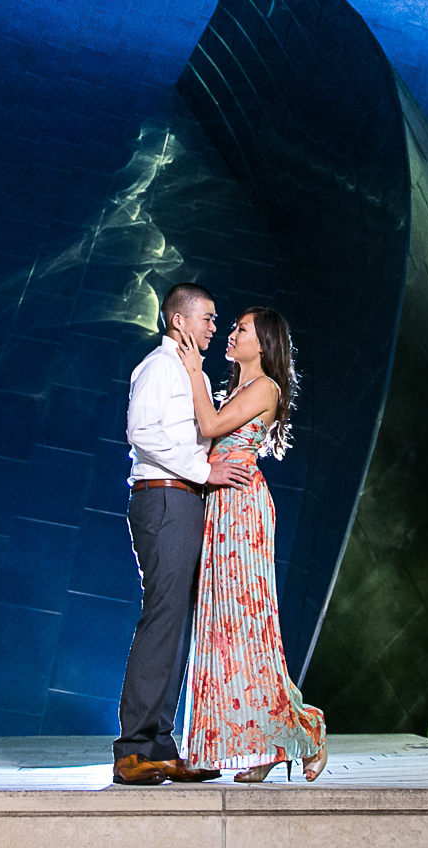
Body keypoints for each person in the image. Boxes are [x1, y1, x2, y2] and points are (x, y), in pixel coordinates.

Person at [174, 307, 327, 782]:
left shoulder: (265, 387)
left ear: (262, 344)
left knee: (248, 624)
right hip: (221, 506)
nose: (232, 334)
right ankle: (265, 747)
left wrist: (194, 370)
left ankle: (307, 727)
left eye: (241, 329)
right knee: (225, 628)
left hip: (241, 508)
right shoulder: (238, 387)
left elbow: (212, 427)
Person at [112, 283, 254, 786]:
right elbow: (140, 431)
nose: (215, 328)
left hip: (184, 499)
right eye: (208, 319)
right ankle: (132, 748)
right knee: (164, 613)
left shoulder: (187, 371)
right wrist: (201, 470)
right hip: (165, 495)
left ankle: (160, 744)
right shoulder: (158, 366)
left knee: (178, 620)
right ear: (179, 322)